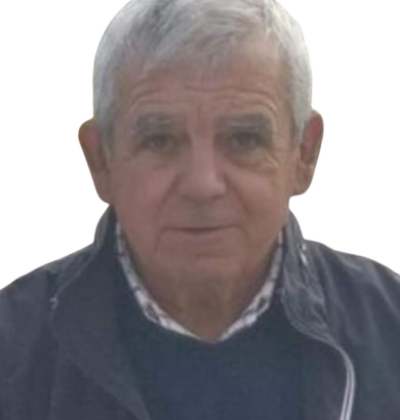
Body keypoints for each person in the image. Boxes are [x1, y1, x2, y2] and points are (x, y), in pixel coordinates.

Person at [1, 0, 399, 419]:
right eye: (160, 140)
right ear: (100, 160)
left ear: (303, 153)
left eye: (243, 139)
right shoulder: (13, 349)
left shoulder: (389, 327)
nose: (202, 185)